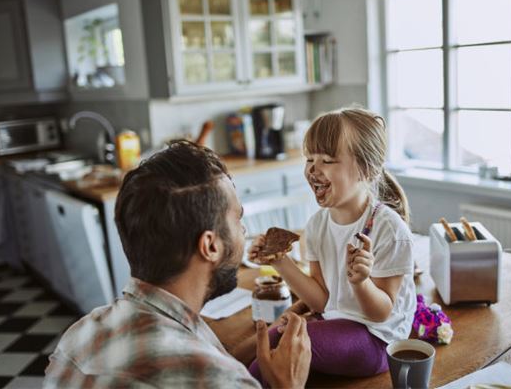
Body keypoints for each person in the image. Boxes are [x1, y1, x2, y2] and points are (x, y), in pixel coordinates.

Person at [44, 140, 311, 388]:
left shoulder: (78, 335)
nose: (244, 231)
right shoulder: (222, 380)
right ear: (210, 246)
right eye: (238, 219)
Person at [247, 106, 416, 384]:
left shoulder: (389, 229)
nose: (313, 168)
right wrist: (279, 261)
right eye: (309, 158)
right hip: (335, 324)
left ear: (367, 169)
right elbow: (321, 301)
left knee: (285, 342)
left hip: (377, 341)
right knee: (273, 338)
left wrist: (361, 282)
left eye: (327, 160)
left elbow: (381, 312)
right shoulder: (316, 226)